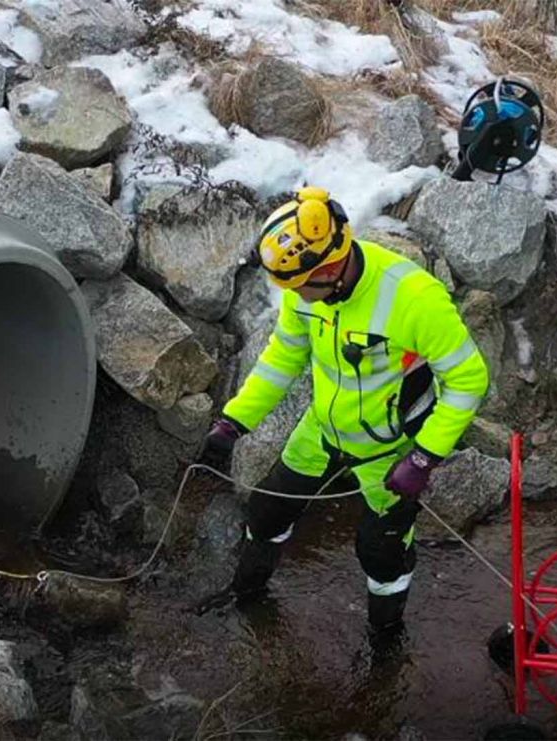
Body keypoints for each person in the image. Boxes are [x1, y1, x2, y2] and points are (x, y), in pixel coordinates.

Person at [198, 186, 490, 636]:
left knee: (381, 552)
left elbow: (469, 380)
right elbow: (283, 357)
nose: (296, 297)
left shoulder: (413, 299)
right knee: (268, 511)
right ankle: (245, 595)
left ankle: (385, 643)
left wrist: (424, 457)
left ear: (331, 267)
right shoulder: (308, 289)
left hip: (388, 452)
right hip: (322, 430)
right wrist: (234, 422)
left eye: (300, 288)